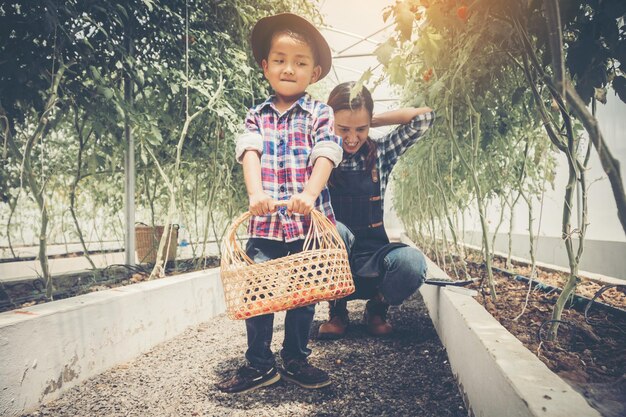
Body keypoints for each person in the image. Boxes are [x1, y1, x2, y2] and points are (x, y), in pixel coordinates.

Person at [216, 13, 343, 394]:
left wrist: (310, 193)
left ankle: (296, 358)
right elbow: (250, 152)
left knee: (303, 296)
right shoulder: (256, 115)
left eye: (301, 62)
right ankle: (259, 363)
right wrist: (256, 194)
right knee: (259, 293)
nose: (290, 68)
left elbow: (327, 152)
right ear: (265, 66)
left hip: (306, 226)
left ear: (315, 72)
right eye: (281, 60)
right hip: (266, 225)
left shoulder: (321, 113)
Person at [317, 82, 435, 339]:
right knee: (333, 230)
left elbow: (424, 117)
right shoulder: (320, 156)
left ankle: (377, 308)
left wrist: (373, 120)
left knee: (412, 263)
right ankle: (337, 309)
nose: (351, 138)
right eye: (343, 128)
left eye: (361, 129)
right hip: (337, 256)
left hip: (375, 255)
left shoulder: (381, 153)